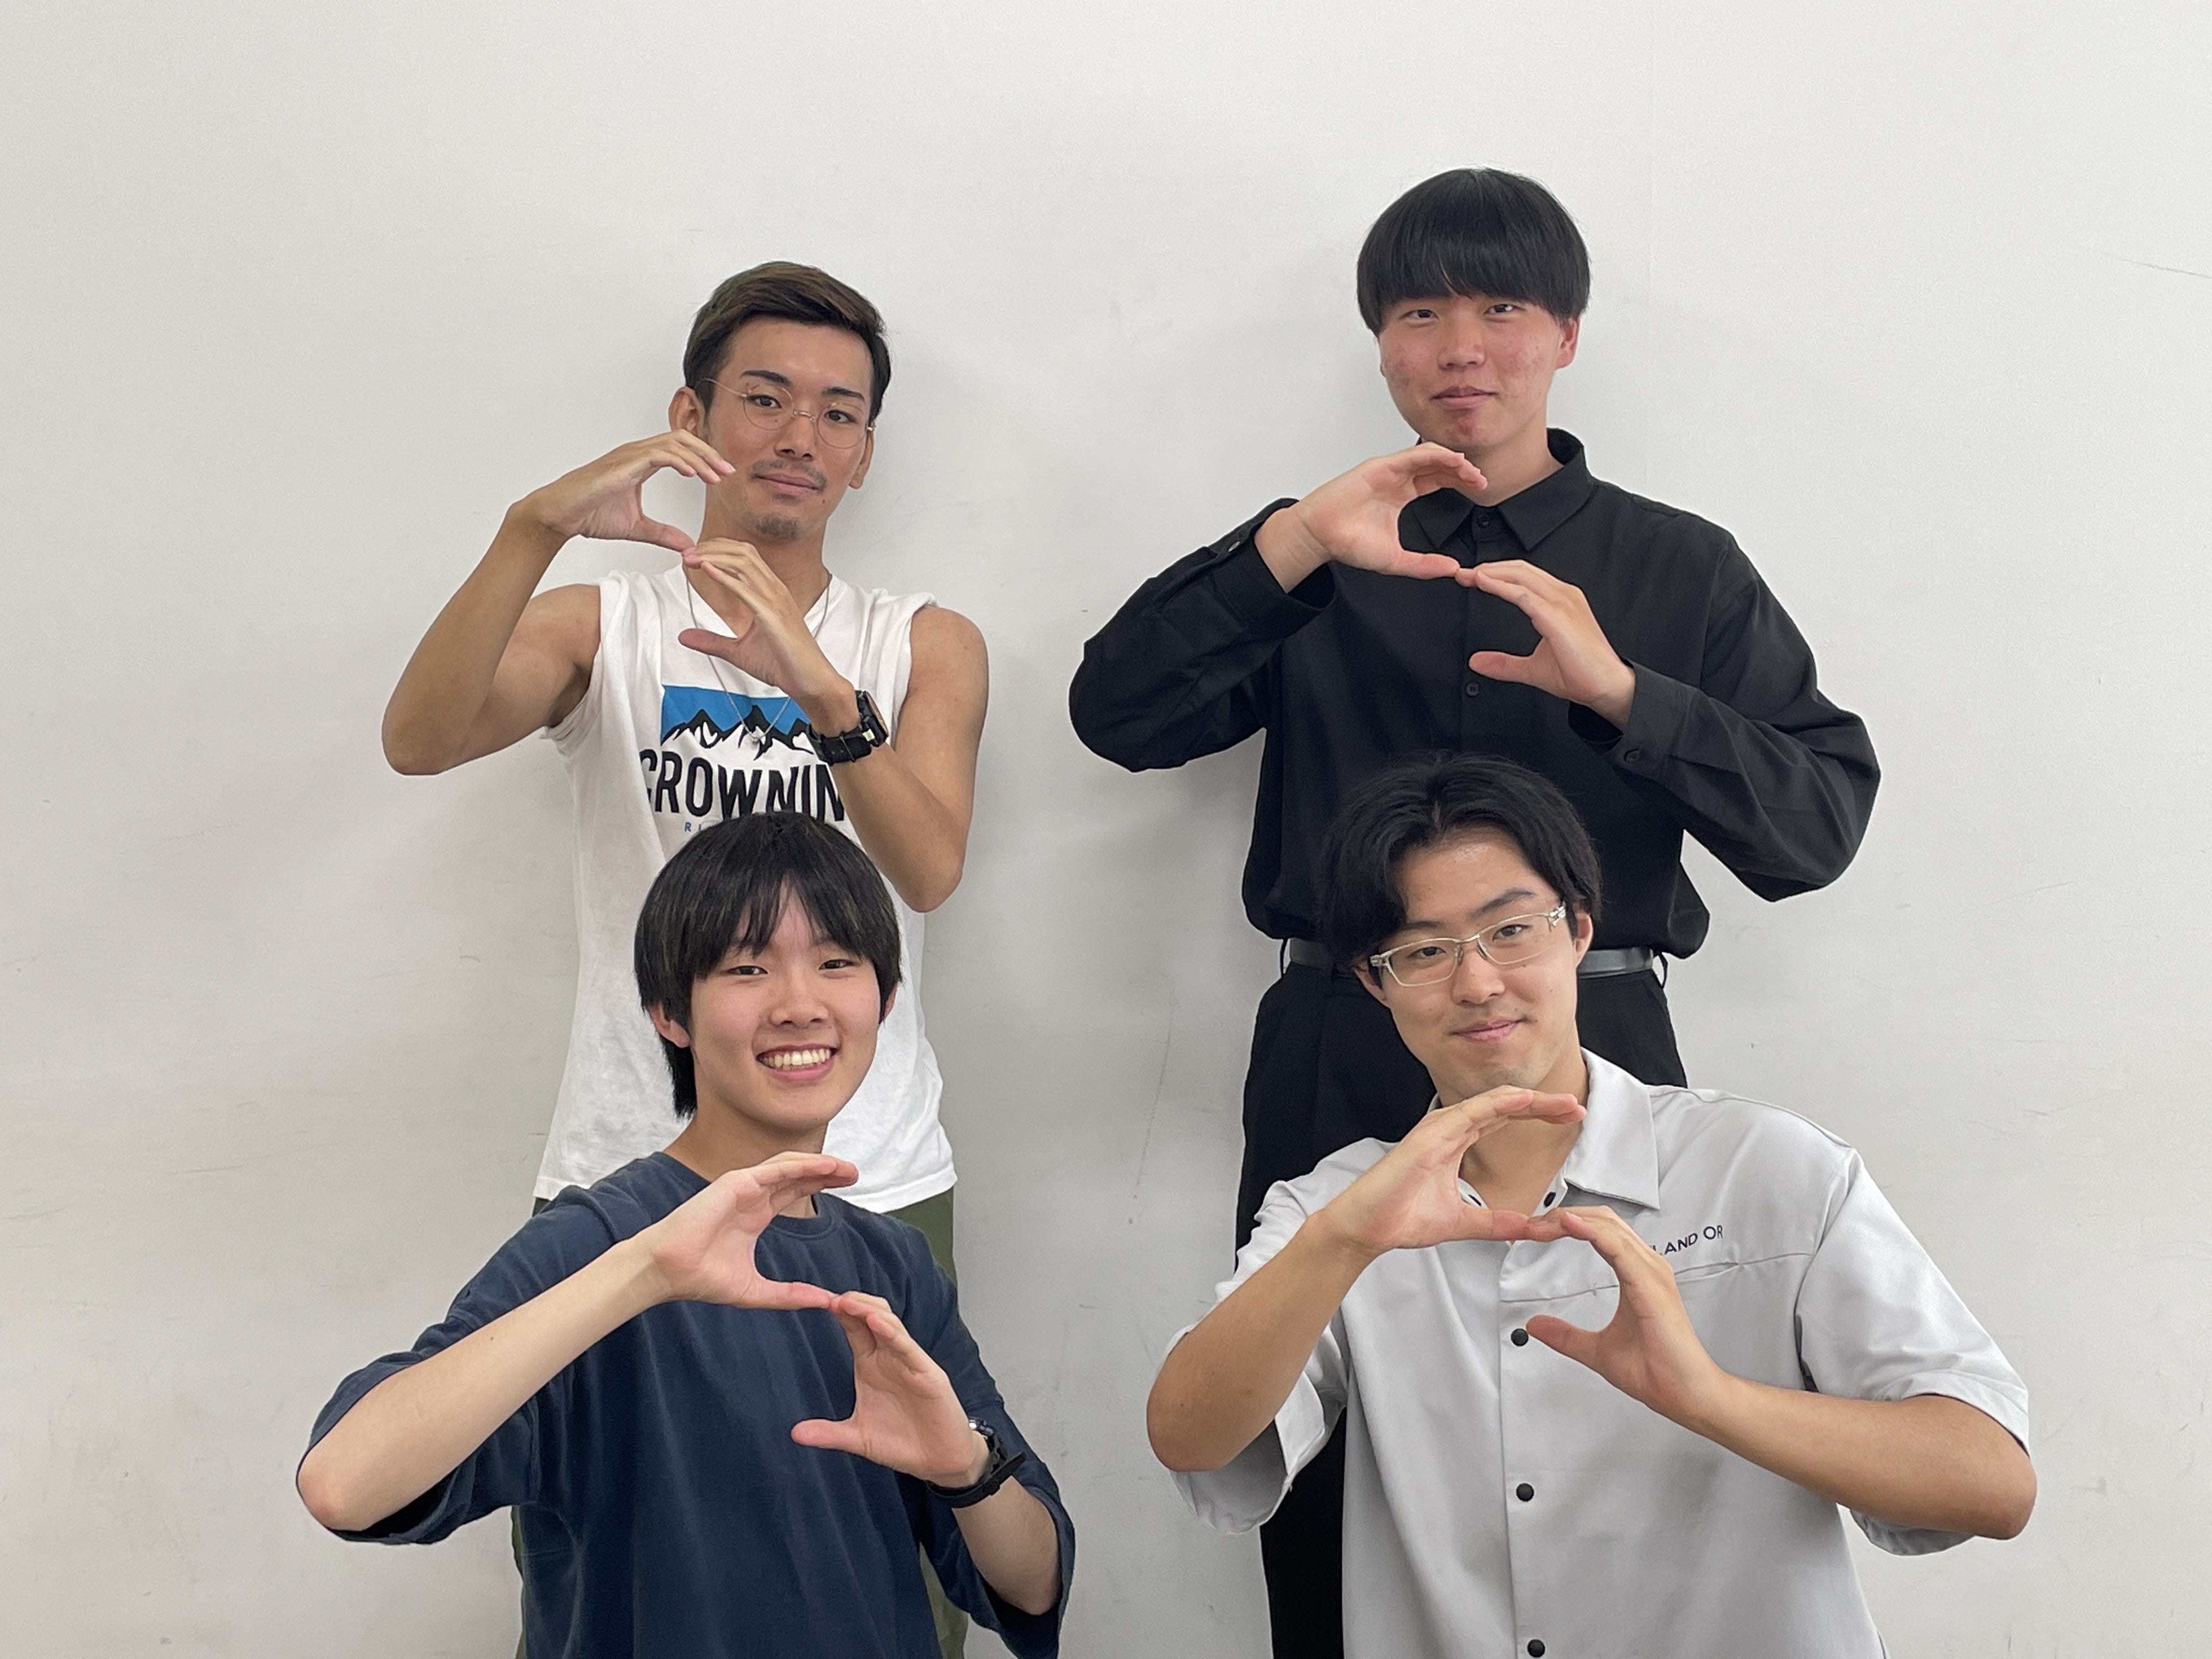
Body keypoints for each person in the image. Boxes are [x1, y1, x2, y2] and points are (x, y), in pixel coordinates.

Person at [1068, 168, 1880, 1652]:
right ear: (1380, 343)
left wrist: (1627, 697)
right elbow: (1117, 716)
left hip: (1598, 1046)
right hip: (1343, 1037)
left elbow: (1816, 826)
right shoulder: (1324, 545)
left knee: (1621, 1406)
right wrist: (1290, 546)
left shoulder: (1679, 566)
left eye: (1503, 308)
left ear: (1565, 335)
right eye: (1420, 313)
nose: (1461, 347)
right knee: (1312, 1443)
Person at [1146, 755, 2031, 1659]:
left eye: (1510, 931)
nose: (1477, 984)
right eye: (1423, 951)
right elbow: (1190, 1437)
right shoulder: (1336, 1207)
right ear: (1375, 982)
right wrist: (1339, 1245)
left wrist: (1713, 1399)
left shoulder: (1766, 1166)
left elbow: (1991, 1482)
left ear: (1578, 930)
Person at [297, 813, 1071, 1658]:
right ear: (671, 1013)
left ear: (885, 1001)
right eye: (748, 968)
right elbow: (344, 1484)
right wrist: (645, 1273)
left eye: (837, 962)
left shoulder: (894, 1264)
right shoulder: (601, 1241)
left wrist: (966, 1470)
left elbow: (1032, 1585)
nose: (800, 1005)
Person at [383, 261, 986, 1255]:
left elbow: (927, 874)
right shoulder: (600, 624)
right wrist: (533, 529)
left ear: (864, 453)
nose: (800, 438)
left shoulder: (925, 642)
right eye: (765, 400)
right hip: (628, 1162)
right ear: (690, 418)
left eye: (839, 415)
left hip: (870, 1174)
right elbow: (419, 741)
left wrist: (824, 694)